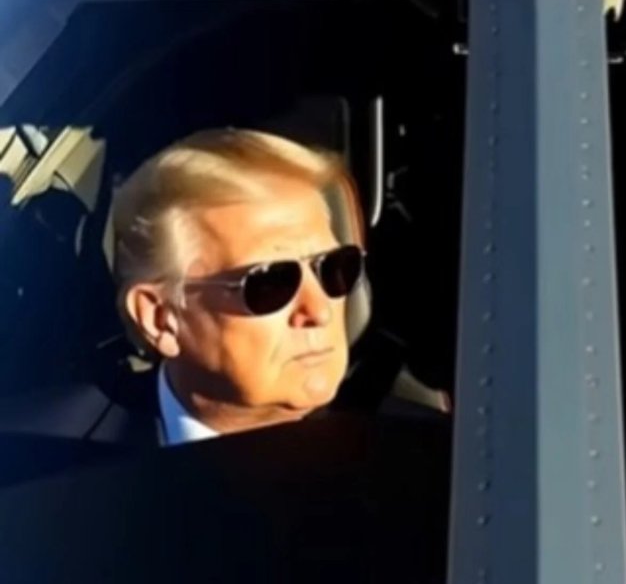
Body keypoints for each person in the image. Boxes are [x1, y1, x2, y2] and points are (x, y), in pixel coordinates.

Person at [0, 128, 367, 447]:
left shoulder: (396, 452)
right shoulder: (36, 454)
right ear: (160, 317)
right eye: (271, 282)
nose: (320, 310)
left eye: (335, 268)